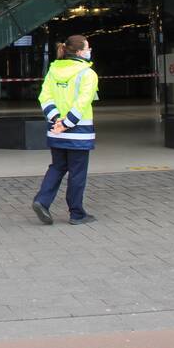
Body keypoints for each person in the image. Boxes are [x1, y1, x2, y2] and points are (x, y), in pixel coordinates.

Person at [32, 35, 99, 225]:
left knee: (57, 166)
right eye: (87, 47)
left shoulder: (53, 71)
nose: (89, 50)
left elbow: (44, 97)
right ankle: (77, 213)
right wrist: (68, 123)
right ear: (79, 52)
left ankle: (41, 201)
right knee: (77, 172)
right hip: (78, 131)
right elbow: (83, 101)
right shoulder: (87, 74)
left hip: (56, 130)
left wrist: (56, 120)